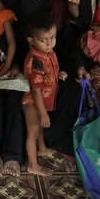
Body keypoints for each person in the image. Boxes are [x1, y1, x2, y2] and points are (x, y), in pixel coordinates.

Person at [10, 0, 76, 159]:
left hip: (53, 56)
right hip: (22, 60)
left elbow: (65, 31)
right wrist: (15, 64)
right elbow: (4, 34)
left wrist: (65, 67)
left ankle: (56, 143)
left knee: (72, 89)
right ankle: (21, 156)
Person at [22, 12, 67, 177]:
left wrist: (59, 74)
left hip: (42, 99)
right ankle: (33, 165)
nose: (49, 43)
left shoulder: (49, 53)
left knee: (39, 126)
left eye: (52, 38)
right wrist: (42, 113)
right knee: (33, 129)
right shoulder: (37, 60)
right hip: (33, 101)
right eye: (43, 40)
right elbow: (36, 89)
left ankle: (41, 149)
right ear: (31, 40)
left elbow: (49, 74)